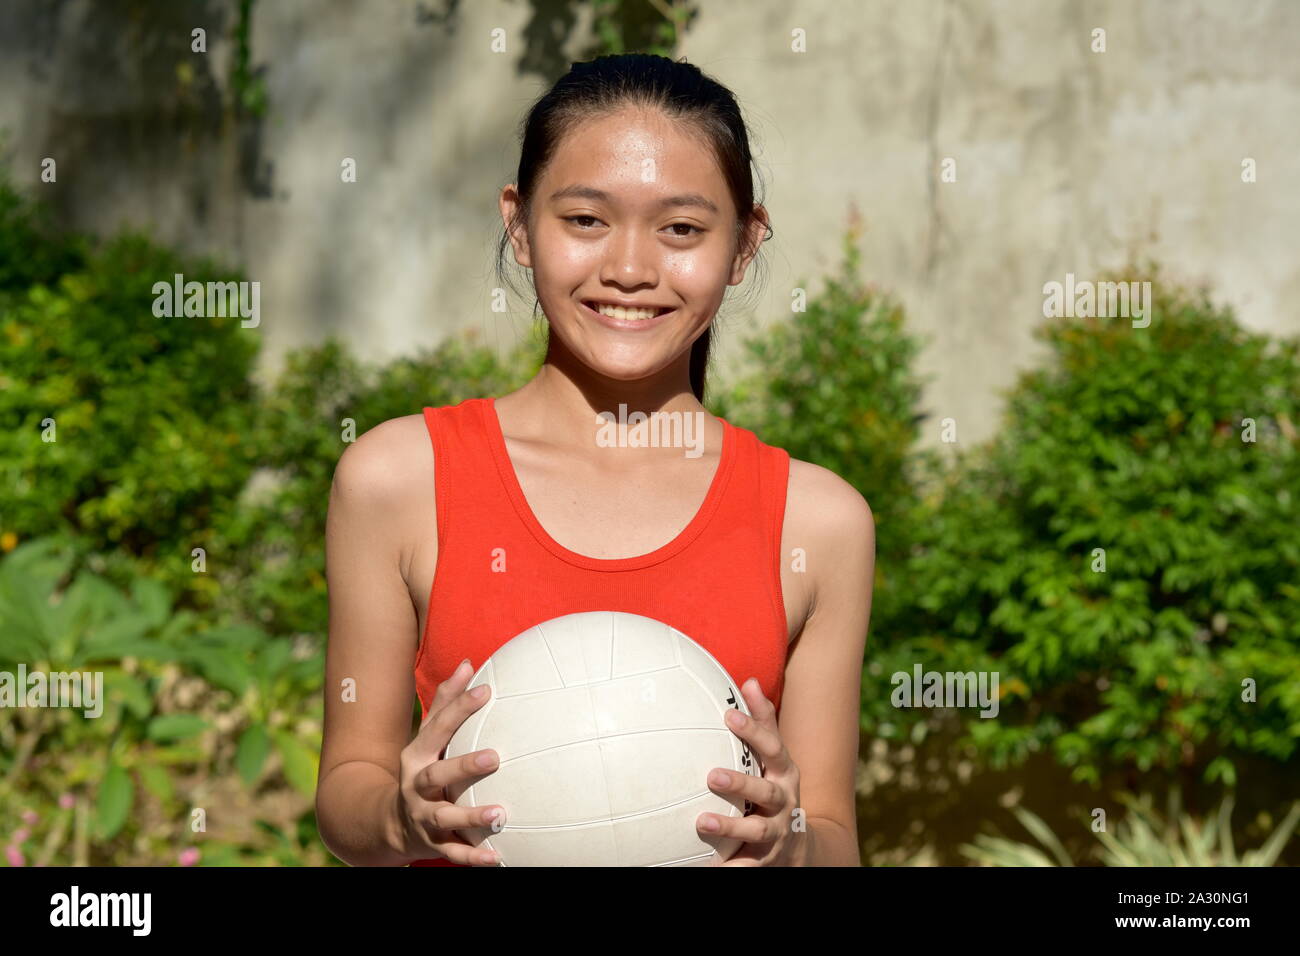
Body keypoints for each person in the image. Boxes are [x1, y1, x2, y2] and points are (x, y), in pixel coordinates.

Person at [315, 53, 874, 867]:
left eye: (681, 229)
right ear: (518, 222)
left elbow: (832, 837)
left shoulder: (818, 522)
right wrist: (399, 821)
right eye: (585, 220)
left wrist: (787, 844)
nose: (630, 270)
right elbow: (347, 785)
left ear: (746, 243)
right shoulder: (398, 480)